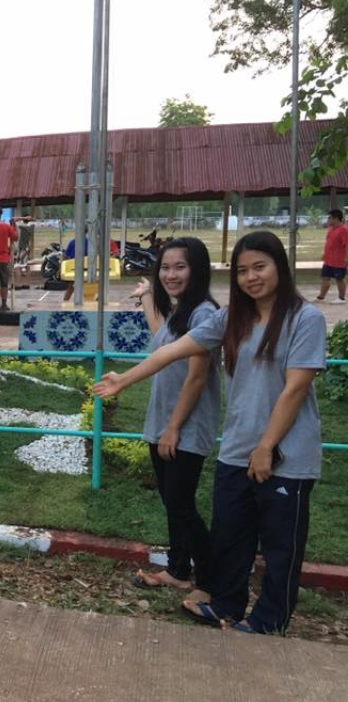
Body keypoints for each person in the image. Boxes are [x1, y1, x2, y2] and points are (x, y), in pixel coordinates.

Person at [93, 231, 326, 635]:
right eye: (242, 271)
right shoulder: (232, 317)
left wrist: (266, 446)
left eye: (260, 267)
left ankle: (269, 620)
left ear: (280, 267)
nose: (251, 277)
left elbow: (295, 389)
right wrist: (124, 380)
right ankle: (225, 604)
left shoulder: (305, 319)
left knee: (280, 546)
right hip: (236, 447)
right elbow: (171, 350)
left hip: (286, 453)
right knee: (231, 535)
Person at [128, 238, 221, 593]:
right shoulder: (182, 312)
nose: (171, 274)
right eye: (165, 268)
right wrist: (146, 297)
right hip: (164, 423)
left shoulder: (203, 313)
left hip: (183, 427)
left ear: (197, 270)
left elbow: (197, 376)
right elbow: (161, 338)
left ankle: (211, 580)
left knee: (181, 505)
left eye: (180, 267)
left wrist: (173, 428)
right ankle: (179, 570)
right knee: (172, 502)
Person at [315, 209, 348, 303]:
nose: (328, 220)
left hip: (339, 260)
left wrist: (346, 258)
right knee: (325, 278)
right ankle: (321, 298)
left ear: (336, 218)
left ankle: (341, 298)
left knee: (339, 279)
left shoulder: (344, 230)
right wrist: (325, 254)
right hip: (329, 260)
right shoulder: (331, 229)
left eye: (329, 218)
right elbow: (329, 243)